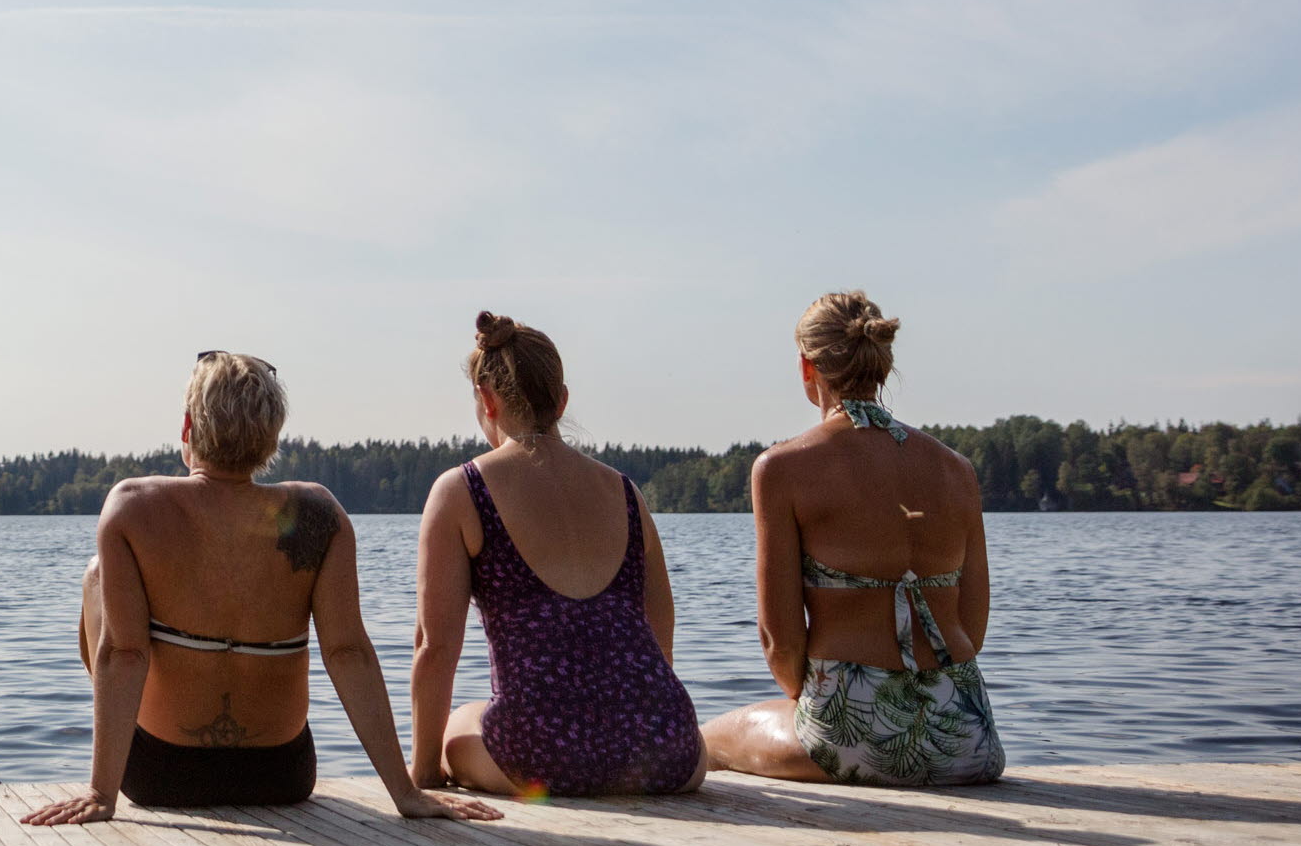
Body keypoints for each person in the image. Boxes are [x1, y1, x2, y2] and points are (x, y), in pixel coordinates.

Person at [23, 351, 502, 827]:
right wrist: (404, 791)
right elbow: (349, 653)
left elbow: (123, 654)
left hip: (159, 773)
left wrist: (101, 793)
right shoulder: (318, 513)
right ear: (273, 435)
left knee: (97, 575)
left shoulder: (132, 505)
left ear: (188, 428)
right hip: (282, 773)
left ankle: (115, 757)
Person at [699, 292, 1005, 786]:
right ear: (882, 361)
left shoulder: (782, 468)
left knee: (706, 738)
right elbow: (973, 628)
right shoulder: (956, 469)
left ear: (806, 366)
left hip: (852, 737)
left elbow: (780, 642)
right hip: (968, 737)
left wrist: (829, 706)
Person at [414, 313, 704, 799]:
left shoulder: (461, 489)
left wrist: (423, 776)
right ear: (562, 399)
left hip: (544, 760)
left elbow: (435, 647)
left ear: (487, 399)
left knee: (458, 726)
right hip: (669, 753)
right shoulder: (626, 493)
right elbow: (661, 640)